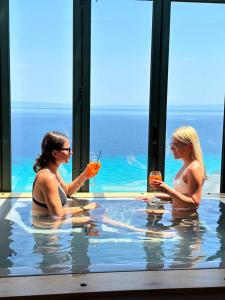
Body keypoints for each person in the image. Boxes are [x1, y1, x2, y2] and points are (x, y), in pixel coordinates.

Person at [32, 131, 99, 223]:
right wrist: (86, 208)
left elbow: (67, 191)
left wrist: (84, 175)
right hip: (46, 226)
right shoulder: (47, 178)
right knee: (98, 218)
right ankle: (125, 231)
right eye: (67, 149)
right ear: (55, 153)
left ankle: (125, 230)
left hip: (51, 222)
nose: (71, 152)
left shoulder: (52, 171)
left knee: (98, 213)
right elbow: (57, 215)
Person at [147, 126, 206, 214]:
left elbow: (194, 203)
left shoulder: (194, 168)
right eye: (172, 145)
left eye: (176, 145)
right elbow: (182, 196)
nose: (171, 149)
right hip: (179, 219)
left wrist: (169, 190)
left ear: (190, 147)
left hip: (186, 223)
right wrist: (159, 196)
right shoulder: (186, 166)